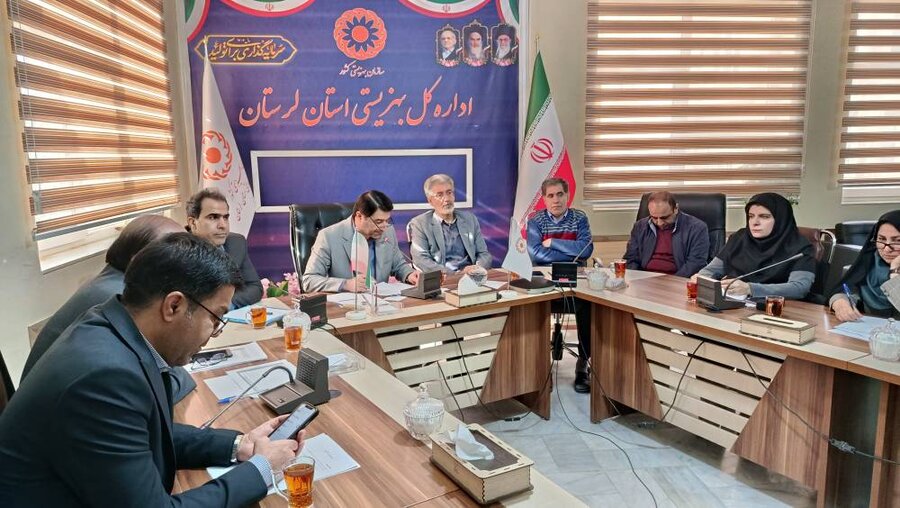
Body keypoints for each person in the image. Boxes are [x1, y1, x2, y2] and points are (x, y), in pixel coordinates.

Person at [0, 233, 304, 506]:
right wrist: (262, 469)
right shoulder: (104, 377)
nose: (215, 332)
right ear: (174, 306)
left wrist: (240, 444)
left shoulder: (114, 327)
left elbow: (147, 433)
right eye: (216, 318)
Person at [21, 215, 199, 403]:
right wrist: (180, 375)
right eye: (175, 256)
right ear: (139, 260)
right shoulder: (121, 297)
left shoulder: (110, 280)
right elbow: (154, 388)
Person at [527, 177, 594, 393]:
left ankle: (582, 365)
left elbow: (586, 250)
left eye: (560, 194)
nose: (556, 200)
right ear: (544, 199)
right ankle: (539, 368)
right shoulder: (536, 220)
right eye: (550, 196)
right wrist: (571, 252)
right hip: (545, 280)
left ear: (567, 196)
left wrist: (553, 242)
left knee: (587, 306)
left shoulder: (579, 218)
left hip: (575, 281)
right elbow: (535, 253)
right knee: (530, 308)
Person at [694, 193, 815, 300]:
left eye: (764, 216)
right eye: (751, 216)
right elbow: (710, 271)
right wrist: (701, 278)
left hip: (777, 308)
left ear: (781, 220)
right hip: (733, 302)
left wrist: (750, 289)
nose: (755, 222)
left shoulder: (800, 247)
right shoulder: (739, 238)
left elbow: (799, 288)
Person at [302, 190, 420, 293]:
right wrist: (345, 284)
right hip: (347, 306)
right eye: (378, 222)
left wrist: (409, 275)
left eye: (387, 220)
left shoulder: (388, 231)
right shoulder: (328, 236)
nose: (384, 227)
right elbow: (309, 280)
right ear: (359, 216)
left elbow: (398, 265)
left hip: (381, 303)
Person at [186, 188, 263, 308]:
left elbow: (254, 287)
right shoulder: (178, 252)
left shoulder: (236, 243)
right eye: (213, 217)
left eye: (225, 217)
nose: (223, 225)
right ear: (193, 223)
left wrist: (225, 306)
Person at [408, 174, 492, 274]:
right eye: (440, 195)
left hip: (472, 276)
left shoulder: (470, 219)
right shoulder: (420, 224)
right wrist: (455, 275)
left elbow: (484, 254)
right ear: (430, 201)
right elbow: (421, 260)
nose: (447, 199)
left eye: (449, 193)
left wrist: (477, 269)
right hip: (443, 279)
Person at [830, 211, 900, 322]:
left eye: (897, 241)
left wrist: (895, 271)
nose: (886, 249)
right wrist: (839, 301)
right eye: (881, 239)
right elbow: (849, 290)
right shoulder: (870, 261)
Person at [623, 191, 709, 277]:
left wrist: (674, 281)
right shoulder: (640, 226)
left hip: (677, 278)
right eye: (654, 218)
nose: (659, 223)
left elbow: (696, 263)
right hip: (644, 277)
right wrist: (634, 278)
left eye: (664, 218)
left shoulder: (697, 228)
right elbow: (631, 259)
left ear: (676, 209)